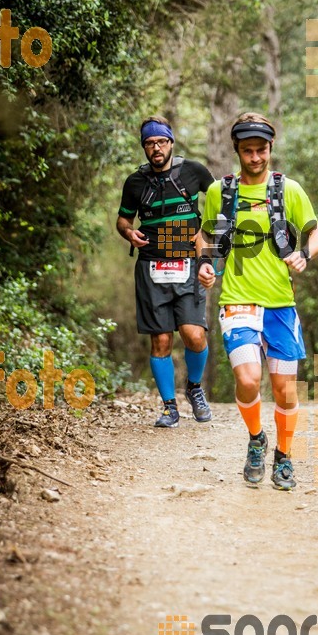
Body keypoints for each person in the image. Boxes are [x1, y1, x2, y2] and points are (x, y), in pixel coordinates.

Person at [198, 113, 318, 490]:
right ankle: (256, 438)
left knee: (285, 390)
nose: (255, 158)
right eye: (248, 151)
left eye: (261, 150)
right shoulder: (222, 192)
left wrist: (305, 254)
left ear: (270, 148)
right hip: (238, 299)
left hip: (280, 304)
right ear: (237, 151)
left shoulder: (289, 190)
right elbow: (204, 236)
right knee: (249, 380)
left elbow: (315, 231)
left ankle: (283, 457)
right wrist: (205, 264)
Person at [117, 116, 214, 427]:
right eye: (149, 143)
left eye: (160, 142)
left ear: (171, 143)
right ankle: (169, 407)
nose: (155, 148)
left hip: (187, 263)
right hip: (150, 267)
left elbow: (217, 208)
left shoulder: (195, 172)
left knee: (193, 334)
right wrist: (129, 233)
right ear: (144, 147)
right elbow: (123, 220)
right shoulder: (135, 182)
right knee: (160, 341)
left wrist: (208, 252)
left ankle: (195, 388)